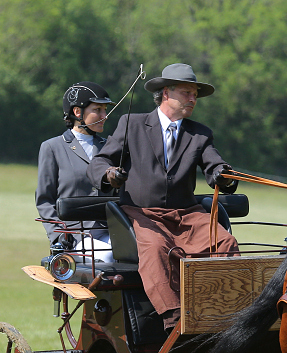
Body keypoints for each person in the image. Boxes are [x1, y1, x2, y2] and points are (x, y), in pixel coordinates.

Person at [88, 63, 239, 331]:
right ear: (166, 93)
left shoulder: (200, 134)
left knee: (225, 242)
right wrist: (111, 174)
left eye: (195, 94)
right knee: (156, 249)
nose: (193, 99)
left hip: (187, 215)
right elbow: (100, 162)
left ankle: (225, 310)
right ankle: (175, 319)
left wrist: (223, 175)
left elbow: (215, 165)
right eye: (187, 93)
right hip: (142, 214)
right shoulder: (131, 124)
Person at [36, 81, 115, 261]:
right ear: (77, 112)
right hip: (74, 235)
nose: (105, 115)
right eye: (98, 110)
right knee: (109, 256)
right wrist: (58, 235)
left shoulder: (110, 147)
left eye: (105, 110)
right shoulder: (52, 147)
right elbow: (44, 200)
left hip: (111, 230)